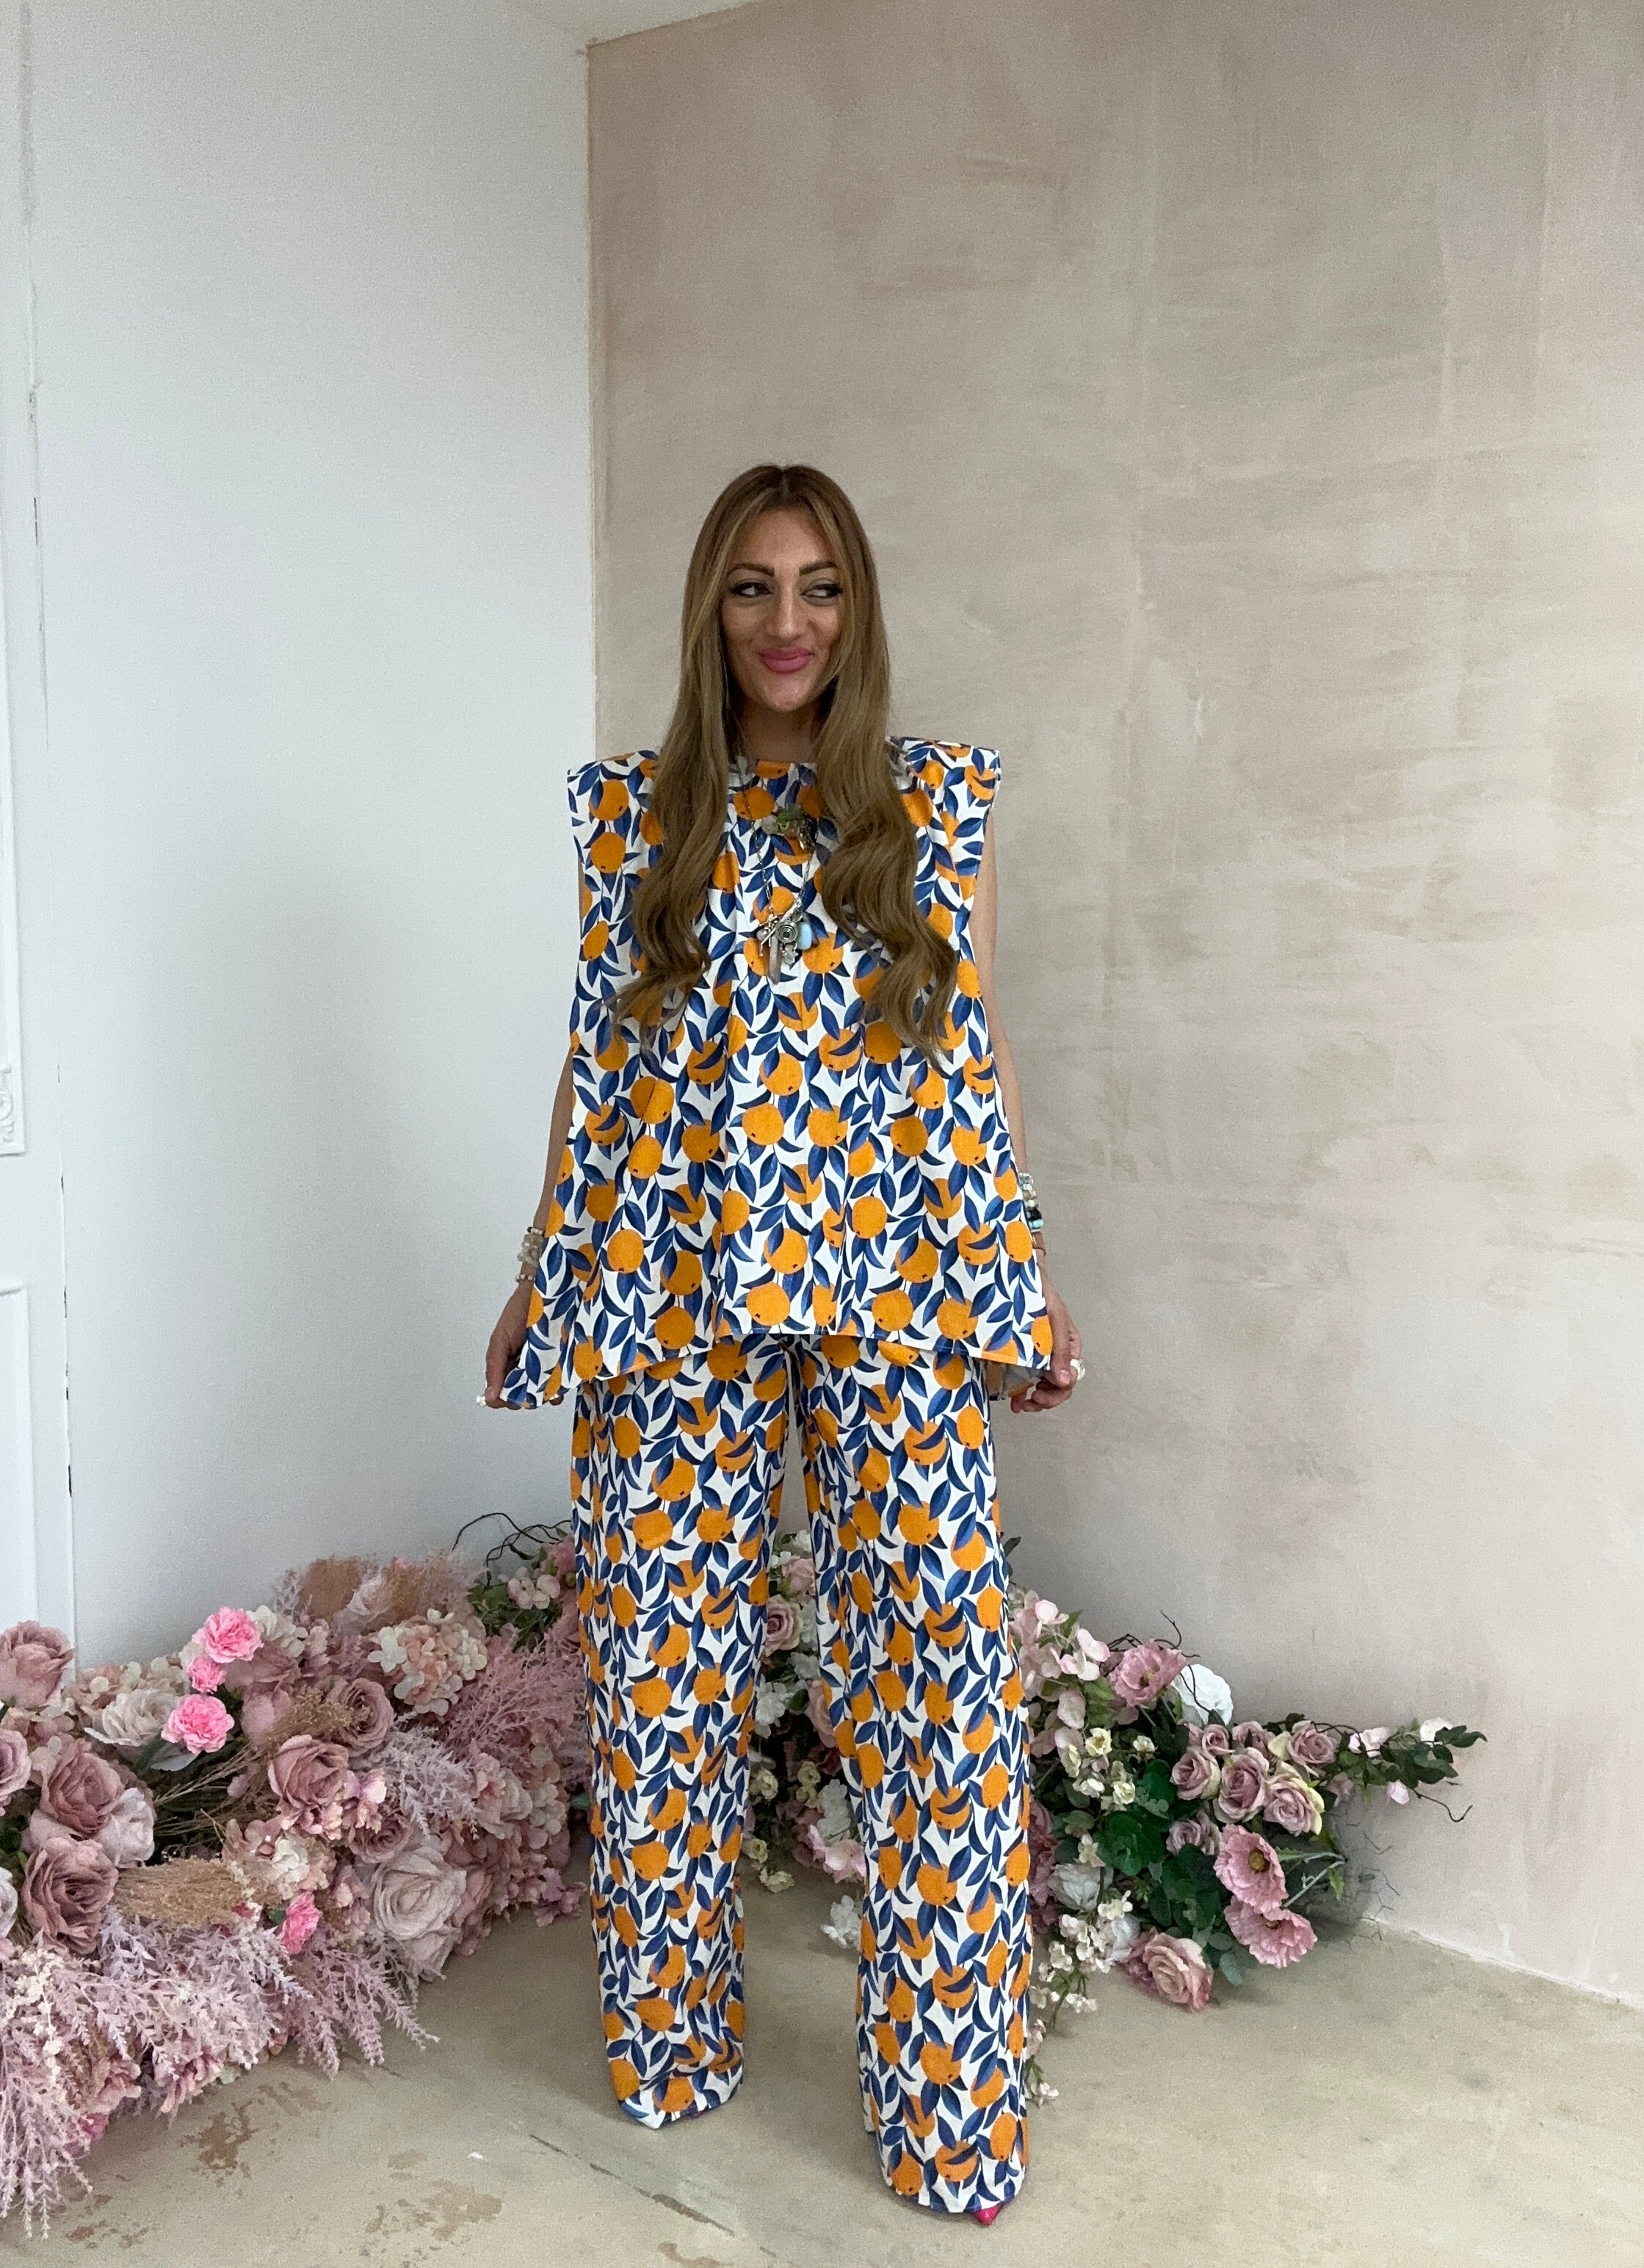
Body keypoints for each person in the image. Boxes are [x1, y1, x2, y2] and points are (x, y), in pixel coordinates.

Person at [482, 463, 1084, 2222]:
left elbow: (973, 1053)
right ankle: (670, 2037)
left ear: (857, 608)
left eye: (819, 586)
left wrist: (1024, 1269)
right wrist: (536, 1263)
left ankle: (949, 2111)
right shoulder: (632, 818)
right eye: (753, 586)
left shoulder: (928, 807)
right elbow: (596, 1061)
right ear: (711, 609)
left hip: (892, 1285)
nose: (788, 621)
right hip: (670, 1288)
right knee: (662, 1681)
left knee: (940, 1686)